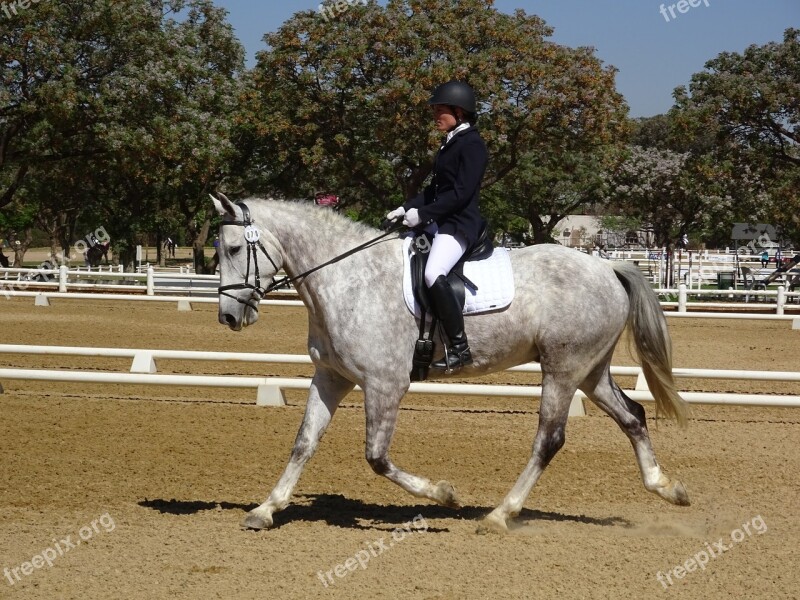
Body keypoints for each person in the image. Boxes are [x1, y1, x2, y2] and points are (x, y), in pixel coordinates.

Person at [385, 80, 488, 371]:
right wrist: (405, 208)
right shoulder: (450, 142)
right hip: (441, 220)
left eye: (440, 110)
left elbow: (460, 194)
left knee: (433, 272)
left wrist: (424, 215)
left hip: (459, 224)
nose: (435, 116)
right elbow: (434, 190)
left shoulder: (472, 145)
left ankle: (459, 347)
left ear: (459, 110)